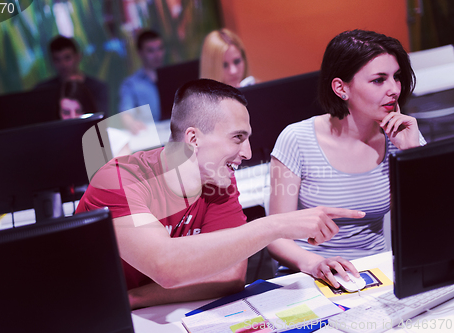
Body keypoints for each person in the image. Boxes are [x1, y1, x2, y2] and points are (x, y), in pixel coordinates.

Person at [76, 79, 365, 309]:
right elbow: (166, 266)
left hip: (139, 311)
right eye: (238, 137)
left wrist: (134, 299)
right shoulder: (118, 179)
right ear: (193, 139)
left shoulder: (219, 180)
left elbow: (229, 276)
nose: (248, 152)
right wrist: (274, 225)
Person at [268, 30, 426, 282]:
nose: (394, 89)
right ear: (341, 88)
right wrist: (316, 264)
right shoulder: (297, 139)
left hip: (374, 274)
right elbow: (275, 234)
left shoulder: (404, 137)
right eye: (378, 80)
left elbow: (425, 226)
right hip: (307, 275)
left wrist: (411, 156)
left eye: (396, 77)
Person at [35, 35, 109, 114]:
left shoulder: (98, 88)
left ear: (78, 57)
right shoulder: (42, 90)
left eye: (67, 58)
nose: (63, 64)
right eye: (57, 59)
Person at [118, 29, 165, 134]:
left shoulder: (174, 76)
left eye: (160, 49)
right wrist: (131, 124)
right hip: (150, 136)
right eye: (151, 51)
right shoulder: (131, 84)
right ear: (140, 53)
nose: (157, 54)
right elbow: (126, 113)